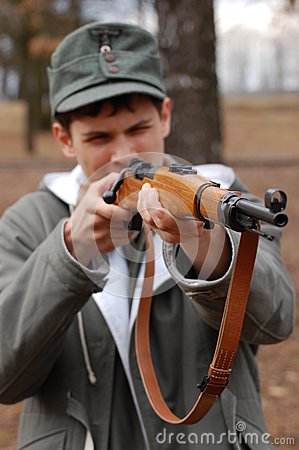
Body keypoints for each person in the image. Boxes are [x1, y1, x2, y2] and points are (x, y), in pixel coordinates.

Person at [0, 21, 295, 450]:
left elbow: (275, 321)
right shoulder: (30, 222)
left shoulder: (220, 196)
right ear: (64, 139)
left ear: (166, 116)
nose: (124, 154)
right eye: (99, 136)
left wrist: (204, 242)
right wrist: (69, 253)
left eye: (138, 128)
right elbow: (6, 376)